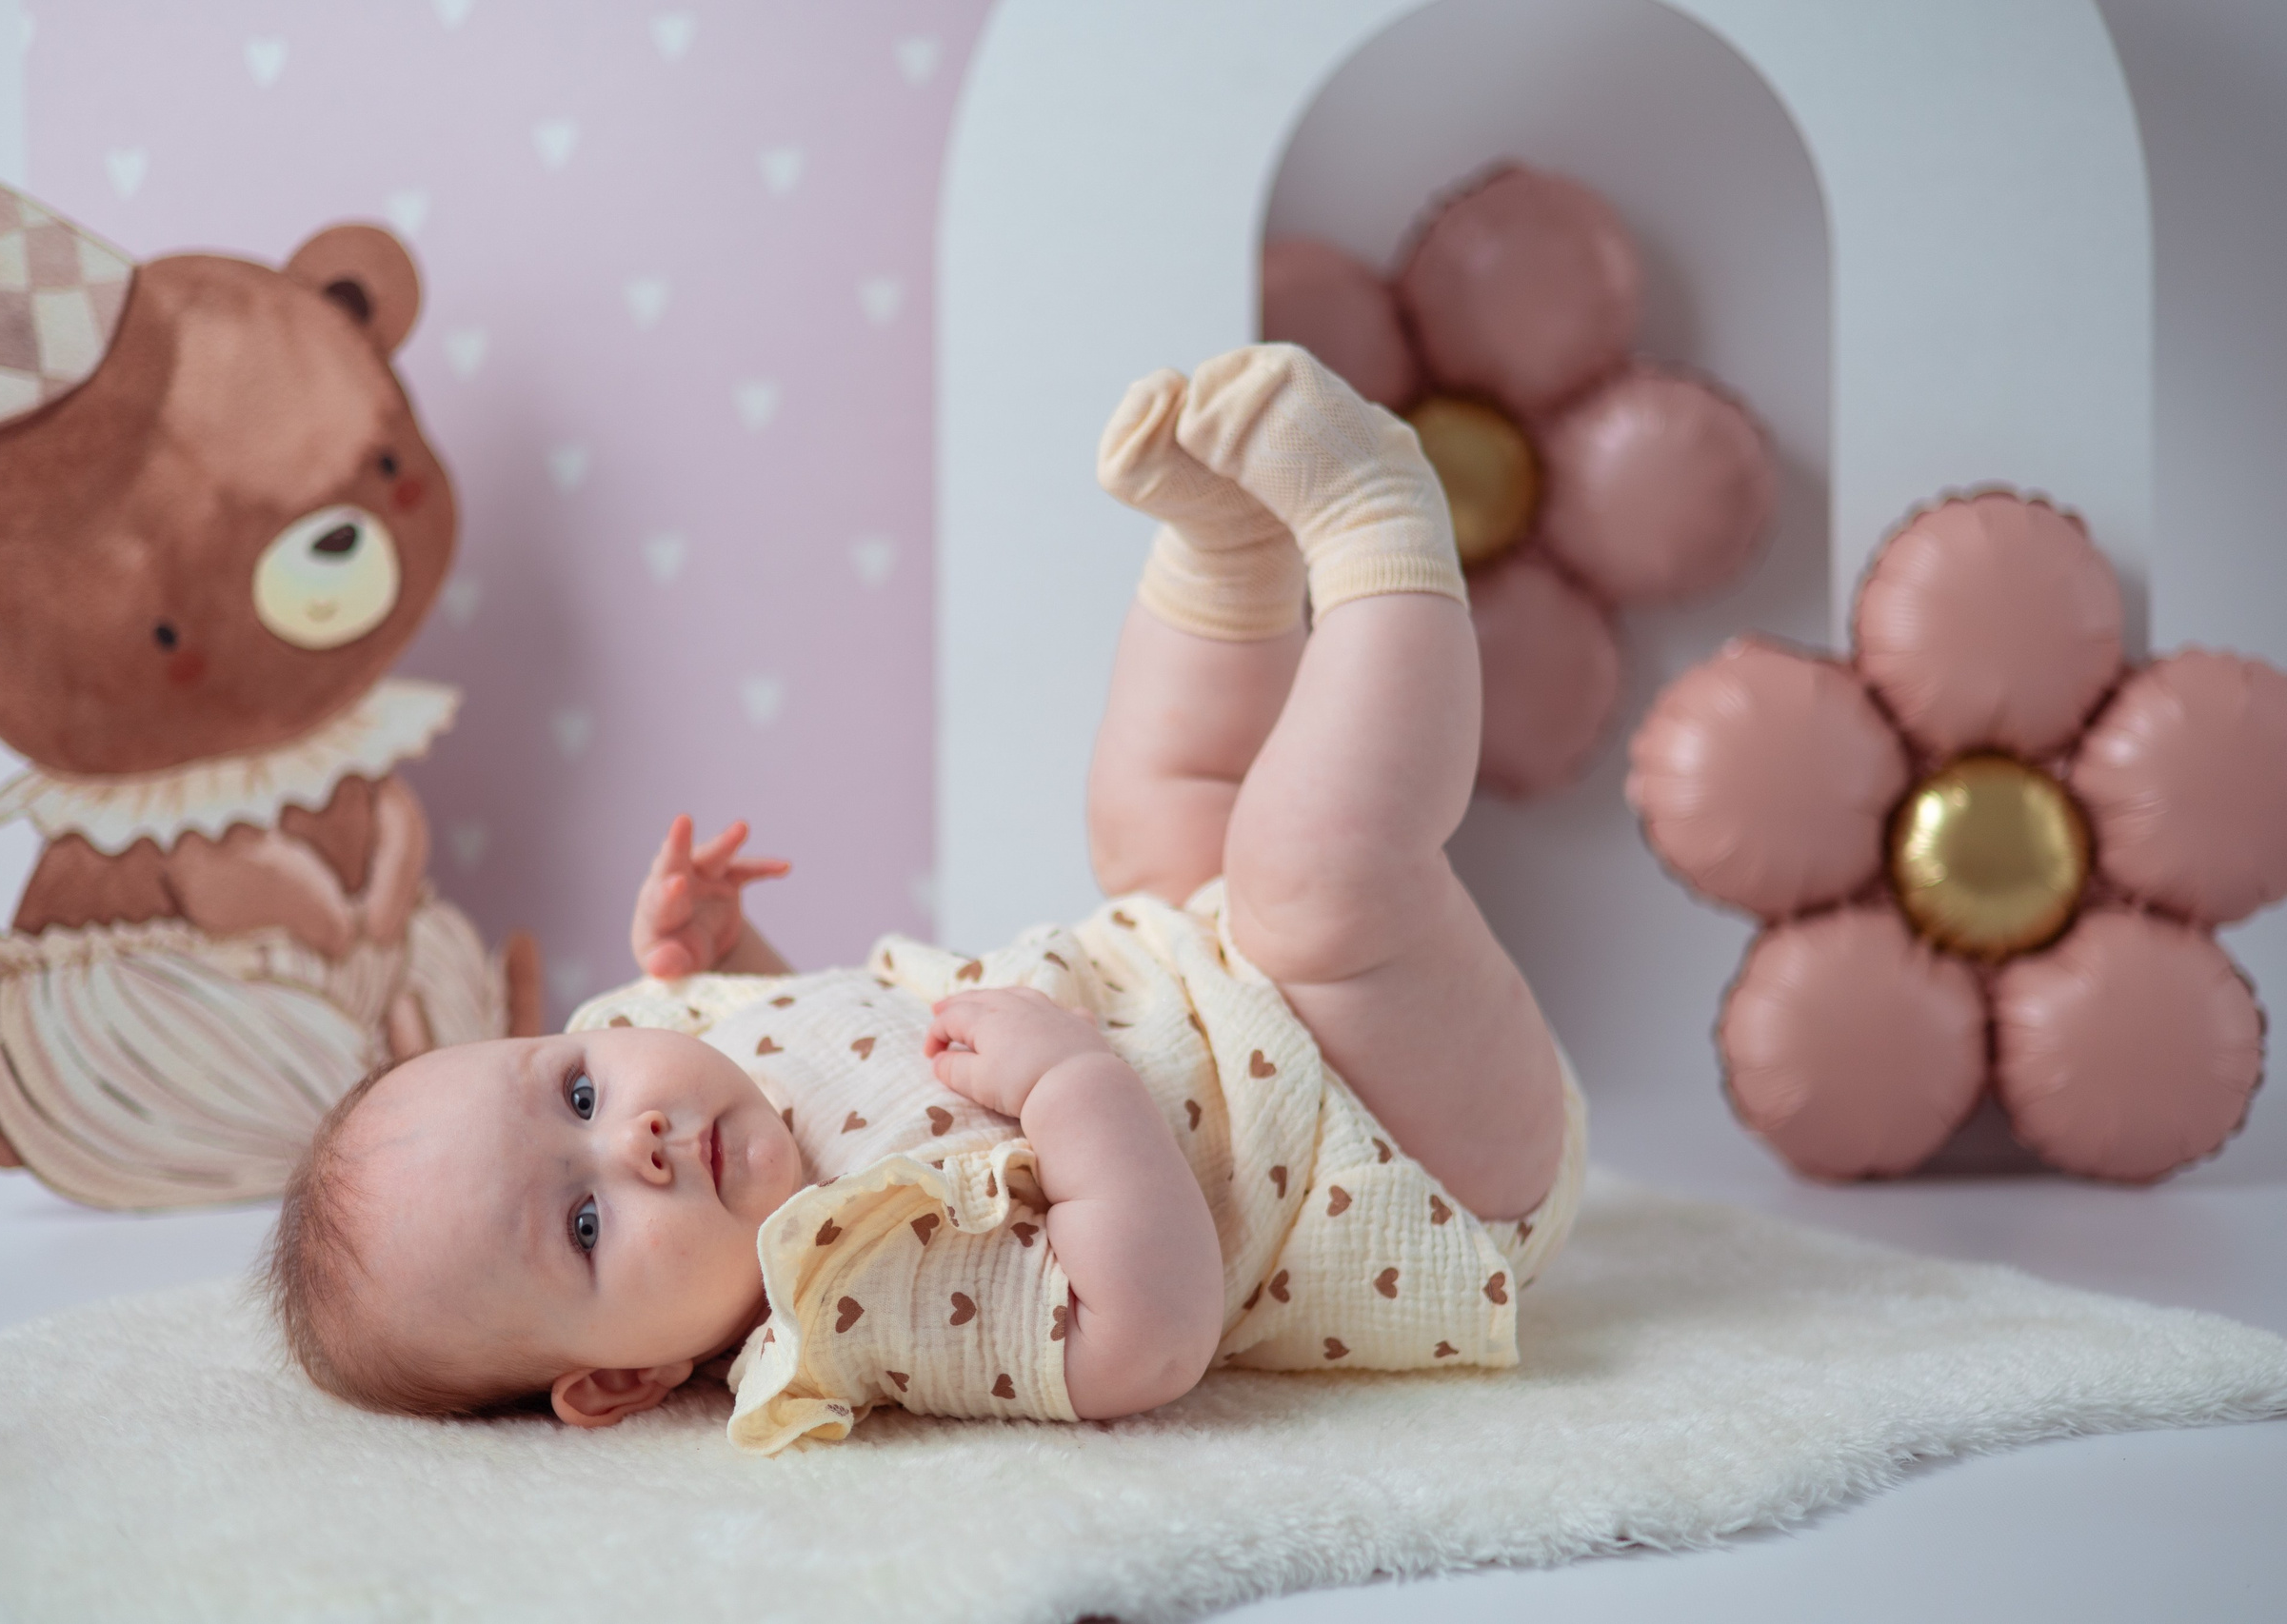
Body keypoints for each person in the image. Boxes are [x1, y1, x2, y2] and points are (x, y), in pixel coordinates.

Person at [267, 345, 1584, 1453]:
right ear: (621, 1380)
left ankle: (1229, 554)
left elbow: (843, 1050)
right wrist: (1074, 1091)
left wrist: (734, 953)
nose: (638, 1138)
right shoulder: (839, 1298)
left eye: (575, 1090)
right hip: (1404, 1145)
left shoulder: (686, 1053)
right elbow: (1145, 1337)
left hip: (1200, 968)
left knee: (1146, 813)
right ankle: (1379, 525)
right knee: (1312, 880)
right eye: (588, 1221)